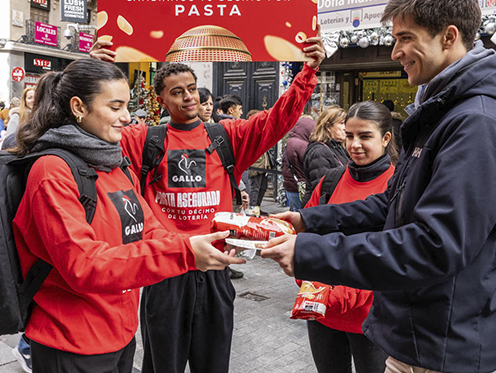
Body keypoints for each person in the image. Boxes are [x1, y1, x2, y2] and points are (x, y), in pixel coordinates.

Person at [260, 0, 496, 373]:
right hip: (417, 331)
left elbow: (435, 244)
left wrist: (312, 252)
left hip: (440, 344)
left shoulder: (479, 123)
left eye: (406, 37)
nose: (395, 51)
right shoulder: (445, 111)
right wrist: (305, 220)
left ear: (448, 36)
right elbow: (393, 204)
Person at [90, 34, 325, 373]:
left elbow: (278, 120)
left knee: (214, 363)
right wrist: (96, 71)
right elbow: (95, 127)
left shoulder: (227, 137)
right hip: (163, 271)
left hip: (216, 269)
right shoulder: (144, 140)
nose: (188, 97)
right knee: (162, 365)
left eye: (191, 88)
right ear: (161, 99)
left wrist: (307, 73)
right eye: (177, 91)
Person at [9, 59, 242, 373]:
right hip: (71, 342)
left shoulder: (115, 164)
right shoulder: (52, 171)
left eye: (127, 106)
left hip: (119, 335)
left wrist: (204, 244)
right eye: (115, 107)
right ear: (78, 107)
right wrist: (184, 253)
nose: (127, 117)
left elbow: (149, 229)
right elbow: (84, 264)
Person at [301, 101, 396, 373]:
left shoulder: (398, 186)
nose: (355, 144)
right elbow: (307, 235)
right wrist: (307, 281)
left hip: (373, 318)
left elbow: (396, 255)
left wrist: (344, 295)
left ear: (385, 138)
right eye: (349, 135)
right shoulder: (330, 180)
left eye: (365, 136)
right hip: (322, 312)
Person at [302, 106, 348, 206]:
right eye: (341, 123)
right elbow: (323, 189)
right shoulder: (320, 151)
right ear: (328, 126)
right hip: (322, 209)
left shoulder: (338, 147)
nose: (346, 128)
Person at [283, 117, 315, 211]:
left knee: (296, 211)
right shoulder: (301, 145)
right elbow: (309, 164)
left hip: (291, 185)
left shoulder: (290, 141)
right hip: (300, 187)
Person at [247, 109, 274, 211]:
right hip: (256, 164)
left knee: (263, 187)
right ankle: (253, 207)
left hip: (263, 164)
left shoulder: (261, 131)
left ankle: (257, 206)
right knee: (255, 187)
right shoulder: (251, 132)